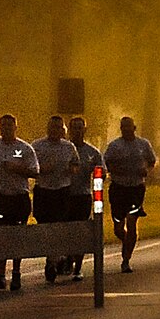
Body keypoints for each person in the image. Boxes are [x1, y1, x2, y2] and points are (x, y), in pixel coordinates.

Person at [0, 113, 39, 291]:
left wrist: (17, 168)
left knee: (17, 236)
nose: (6, 128)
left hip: (18, 197)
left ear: (15, 127)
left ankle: (16, 272)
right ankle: (0, 274)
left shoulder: (25, 148)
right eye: (3, 125)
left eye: (9, 125)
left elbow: (35, 171)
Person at [30, 114, 82, 282]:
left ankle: (52, 262)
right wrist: (42, 169)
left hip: (62, 191)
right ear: (47, 128)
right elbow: (30, 167)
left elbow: (76, 164)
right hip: (43, 190)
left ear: (63, 130)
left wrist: (72, 169)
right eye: (52, 127)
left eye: (59, 127)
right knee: (44, 226)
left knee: (58, 226)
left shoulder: (69, 147)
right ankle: (55, 257)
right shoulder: (37, 145)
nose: (55, 130)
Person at [104, 115, 159, 272]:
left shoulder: (143, 144)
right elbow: (105, 163)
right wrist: (115, 169)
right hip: (118, 188)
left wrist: (147, 170)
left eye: (129, 126)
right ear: (120, 129)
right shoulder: (114, 146)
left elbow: (153, 161)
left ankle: (126, 259)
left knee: (132, 221)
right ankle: (126, 239)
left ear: (134, 128)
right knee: (118, 227)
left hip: (136, 188)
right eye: (124, 127)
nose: (127, 130)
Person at [67, 115, 103, 280]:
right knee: (66, 230)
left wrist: (99, 175)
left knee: (81, 230)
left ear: (84, 130)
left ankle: (78, 268)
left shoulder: (92, 152)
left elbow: (101, 171)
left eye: (79, 128)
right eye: (74, 128)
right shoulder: (64, 148)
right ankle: (65, 258)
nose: (77, 131)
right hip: (64, 194)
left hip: (82, 195)